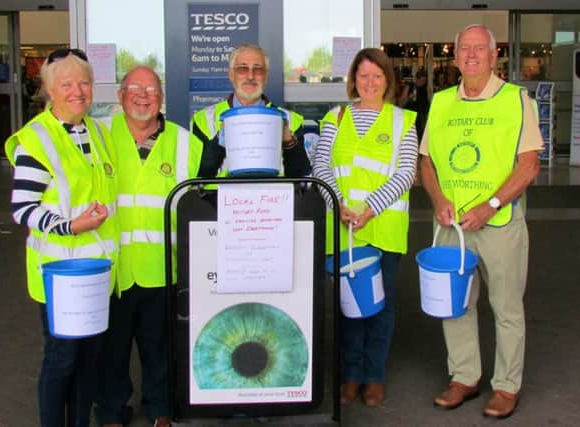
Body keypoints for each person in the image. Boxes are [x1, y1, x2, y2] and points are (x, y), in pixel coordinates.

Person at [419, 24, 543, 418]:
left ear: (494, 57)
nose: (471, 55)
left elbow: (528, 166)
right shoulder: (439, 102)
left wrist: (490, 205)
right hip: (451, 224)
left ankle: (507, 386)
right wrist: (438, 200)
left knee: (506, 307)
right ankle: (465, 377)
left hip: (499, 222)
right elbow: (427, 161)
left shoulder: (516, 100)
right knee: (455, 304)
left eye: (479, 49)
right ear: (454, 58)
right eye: (464, 49)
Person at [5, 48, 119, 427]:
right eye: (67, 84)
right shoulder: (37, 139)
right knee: (62, 359)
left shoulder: (96, 130)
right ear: (50, 91)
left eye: (84, 82)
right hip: (59, 275)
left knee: (89, 359)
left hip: (95, 272)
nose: (78, 91)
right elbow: (23, 208)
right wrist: (70, 226)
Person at [95, 65, 202, 427]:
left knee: (161, 348)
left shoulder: (187, 143)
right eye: (135, 89)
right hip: (114, 268)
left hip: (162, 266)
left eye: (151, 89)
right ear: (121, 96)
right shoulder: (99, 136)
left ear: (162, 97)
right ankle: (111, 411)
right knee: (112, 349)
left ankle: (161, 410)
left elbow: (202, 205)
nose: (143, 96)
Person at [313, 48, 418, 407]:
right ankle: (351, 375)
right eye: (363, 76)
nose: (370, 83)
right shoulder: (336, 118)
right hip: (344, 228)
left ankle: (374, 376)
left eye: (377, 76)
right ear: (353, 80)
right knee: (348, 306)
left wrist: (370, 209)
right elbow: (321, 167)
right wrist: (337, 204)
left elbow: (406, 173)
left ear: (387, 80)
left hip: (383, 227)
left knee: (381, 305)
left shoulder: (403, 121)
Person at [191, 43, 311, 178]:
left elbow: (301, 177)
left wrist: (289, 143)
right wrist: (221, 139)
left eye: (258, 70)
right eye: (242, 69)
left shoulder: (290, 119)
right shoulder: (205, 119)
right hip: (217, 197)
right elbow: (198, 173)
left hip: (274, 196)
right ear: (231, 75)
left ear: (266, 76)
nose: (250, 76)